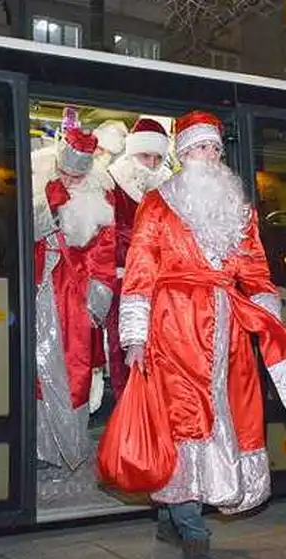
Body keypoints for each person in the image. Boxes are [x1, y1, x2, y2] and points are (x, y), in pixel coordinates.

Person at [115, 110, 286, 559]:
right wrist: (135, 336)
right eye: (203, 148)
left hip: (228, 335)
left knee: (226, 420)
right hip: (174, 329)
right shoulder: (158, 205)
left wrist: (269, 327)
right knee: (184, 425)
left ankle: (171, 516)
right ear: (184, 154)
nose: (212, 157)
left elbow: (256, 273)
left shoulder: (238, 209)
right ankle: (194, 534)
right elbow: (141, 270)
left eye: (216, 150)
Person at [33, 127, 118, 471]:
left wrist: (96, 297)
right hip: (38, 282)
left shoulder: (102, 199)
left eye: (76, 175)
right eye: (64, 173)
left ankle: (67, 447)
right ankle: (38, 446)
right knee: (37, 366)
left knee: (75, 369)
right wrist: (47, 210)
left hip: (77, 293)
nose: (69, 180)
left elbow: (105, 251)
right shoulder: (36, 182)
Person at [103, 117, 174, 399]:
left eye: (158, 157)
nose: (153, 164)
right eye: (146, 155)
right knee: (126, 360)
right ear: (133, 153)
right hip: (123, 286)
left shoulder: (170, 192)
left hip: (163, 289)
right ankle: (129, 424)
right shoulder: (112, 184)